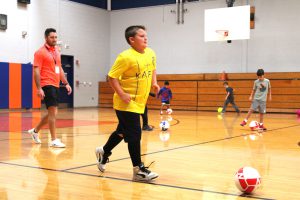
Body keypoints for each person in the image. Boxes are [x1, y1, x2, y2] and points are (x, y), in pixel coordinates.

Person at [95, 25, 160, 182]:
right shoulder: (125, 57)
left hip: (140, 102)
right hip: (125, 102)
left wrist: (155, 83)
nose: (146, 38)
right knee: (135, 134)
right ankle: (138, 170)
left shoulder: (150, 53)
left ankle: (104, 151)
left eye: (146, 35)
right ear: (132, 40)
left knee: (123, 131)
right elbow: (112, 77)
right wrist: (121, 93)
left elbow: (152, 69)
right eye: (142, 36)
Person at [27, 28, 72, 148]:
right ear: (46, 38)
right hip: (46, 84)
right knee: (53, 112)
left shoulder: (57, 51)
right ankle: (53, 139)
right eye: (52, 37)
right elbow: (36, 71)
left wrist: (66, 83)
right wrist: (39, 88)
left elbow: (60, 68)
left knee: (53, 112)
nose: (54, 39)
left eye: (56, 37)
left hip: (56, 84)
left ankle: (35, 131)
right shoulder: (40, 52)